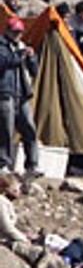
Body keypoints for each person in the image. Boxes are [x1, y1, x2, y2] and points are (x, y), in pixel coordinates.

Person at [0, 17, 37, 174]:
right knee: (5, 130)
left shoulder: (21, 46)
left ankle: (32, 164)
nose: (17, 35)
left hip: (21, 93)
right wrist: (20, 55)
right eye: (14, 32)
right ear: (7, 31)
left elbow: (34, 70)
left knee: (29, 128)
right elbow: (4, 62)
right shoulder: (2, 46)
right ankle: (3, 164)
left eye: (20, 32)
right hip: (5, 92)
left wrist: (31, 58)